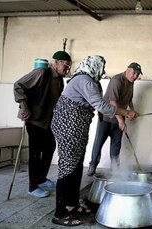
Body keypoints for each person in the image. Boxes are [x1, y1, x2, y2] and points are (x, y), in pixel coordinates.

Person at [50, 55, 138, 226]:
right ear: (93, 66)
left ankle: (72, 205)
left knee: (75, 167)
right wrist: (126, 114)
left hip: (77, 127)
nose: (103, 71)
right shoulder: (85, 80)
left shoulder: (89, 81)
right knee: (68, 167)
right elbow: (102, 105)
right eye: (101, 67)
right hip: (68, 127)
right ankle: (60, 214)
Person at [13, 50, 72, 198]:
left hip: (47, 122)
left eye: (69, 66)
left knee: (49, 148)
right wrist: (24, 106)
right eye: (65, 65)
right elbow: (18, 85)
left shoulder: (59, 80)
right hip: (34, 120)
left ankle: (41, 179)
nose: (67, 69)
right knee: (35, 153)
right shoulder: (41, 73)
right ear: (56, 63)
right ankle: (33, 187)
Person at [87, 62, 142, 176]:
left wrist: (133, 110)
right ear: (128, 70)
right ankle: (92, 166)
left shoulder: (131, 82)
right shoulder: (117, 80)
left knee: (116, 146)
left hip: (120, 117)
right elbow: (113, 103)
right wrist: (121, 121)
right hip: (107, 117)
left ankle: (115, 171)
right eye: (134, 73)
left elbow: (129, 98)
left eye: (137, 74)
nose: (135, 76)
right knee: (99, 142)